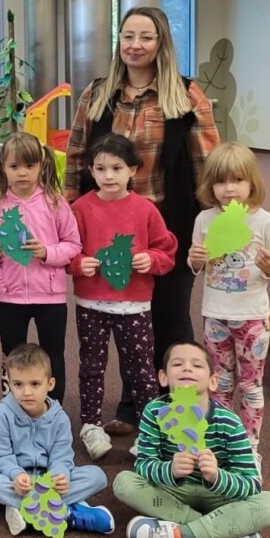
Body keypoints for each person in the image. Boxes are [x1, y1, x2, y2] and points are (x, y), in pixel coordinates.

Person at [65, 6, 219, 434]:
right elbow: (77, 157)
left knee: (169, 317)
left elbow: (206, 163)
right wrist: (67, 220)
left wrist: (215, 223)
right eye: (128, 36)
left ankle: (179, 405)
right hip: (106, 227)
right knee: (118, 315)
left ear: (161, 43)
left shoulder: (186, 95)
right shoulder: (96, 95)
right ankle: (136, 407)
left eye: (146, 37)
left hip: (166, 225)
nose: (135, 45)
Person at [113, 341, 270, 538]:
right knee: (124, 483)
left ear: (213, 381)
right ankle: (224, 532)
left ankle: (181, 534)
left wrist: (217, 475)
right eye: (178, 364)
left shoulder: (229, 422)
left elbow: (251, 484)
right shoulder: (155, 412)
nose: (187, 368)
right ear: (163, 378)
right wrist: (170, 470)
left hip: (219, 498)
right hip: (173, 493)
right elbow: (144, 466)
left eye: (197, 365)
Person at [68, 134, 176, 460]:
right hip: (91, 303)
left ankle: (150, 429)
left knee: (141, 368)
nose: (109, 176)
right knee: (91, 365)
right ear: (91, 170)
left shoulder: (146, 210)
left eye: (117, 168)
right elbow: (67, 250)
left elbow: (167, 250)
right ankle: (90, 424)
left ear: (133, 170)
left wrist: (151, 260)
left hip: (135, 304)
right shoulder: (80, 208)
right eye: (100, 168)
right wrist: (77, 263)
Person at [188, 143, 270, 455]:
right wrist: (194, 259)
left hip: (253, 319)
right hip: (215, 315)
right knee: (221, 384)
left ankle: (249, 447)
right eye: (220, 181)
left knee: (250, 385)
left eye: (238, 181)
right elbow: (196, 267)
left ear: (252, 182)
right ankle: (221, 444)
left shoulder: (266, 222)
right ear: (210, 185)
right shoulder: (204, 220)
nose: (229, 189)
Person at [0, 132, 81, 403]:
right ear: (3, 167)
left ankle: (54, 410)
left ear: (41, 165)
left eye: (29, 166)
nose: (22, 173)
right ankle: (12, 410)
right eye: (14, 167)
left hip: (50, 296)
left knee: (52, 356)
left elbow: (73, 244)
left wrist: (46, 252)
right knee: (11, 356)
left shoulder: (55, 202)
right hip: (10, 296)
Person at [0, 343, 115, 536]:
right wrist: (16, 475)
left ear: (50, 384)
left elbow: (62, 457)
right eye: (18, 384)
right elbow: (1, 455)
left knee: (97, 476)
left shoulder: (59, 417)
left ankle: (25, 511)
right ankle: (66, 513)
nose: (27, 392)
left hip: (50, 480)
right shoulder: (1, 413)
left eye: (35, 384)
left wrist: (61, 476)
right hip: (20, 482)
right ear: (9, 384)